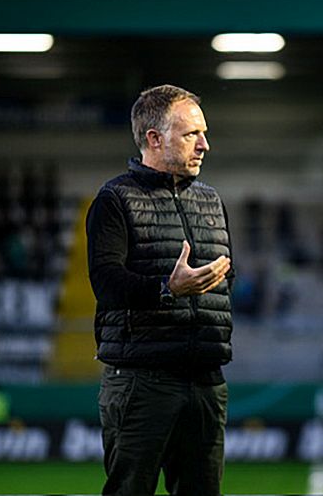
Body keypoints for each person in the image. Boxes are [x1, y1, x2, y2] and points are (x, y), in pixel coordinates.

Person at [86, 84, 234, 496]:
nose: (205, 144)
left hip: (206, 381)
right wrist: (167, 289)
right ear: (154, 138)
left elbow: (225, 279)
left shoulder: (212, 200)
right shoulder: (115, 199)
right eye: (192, 135)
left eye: (203, 133)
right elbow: (106, 283)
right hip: (141, 383)